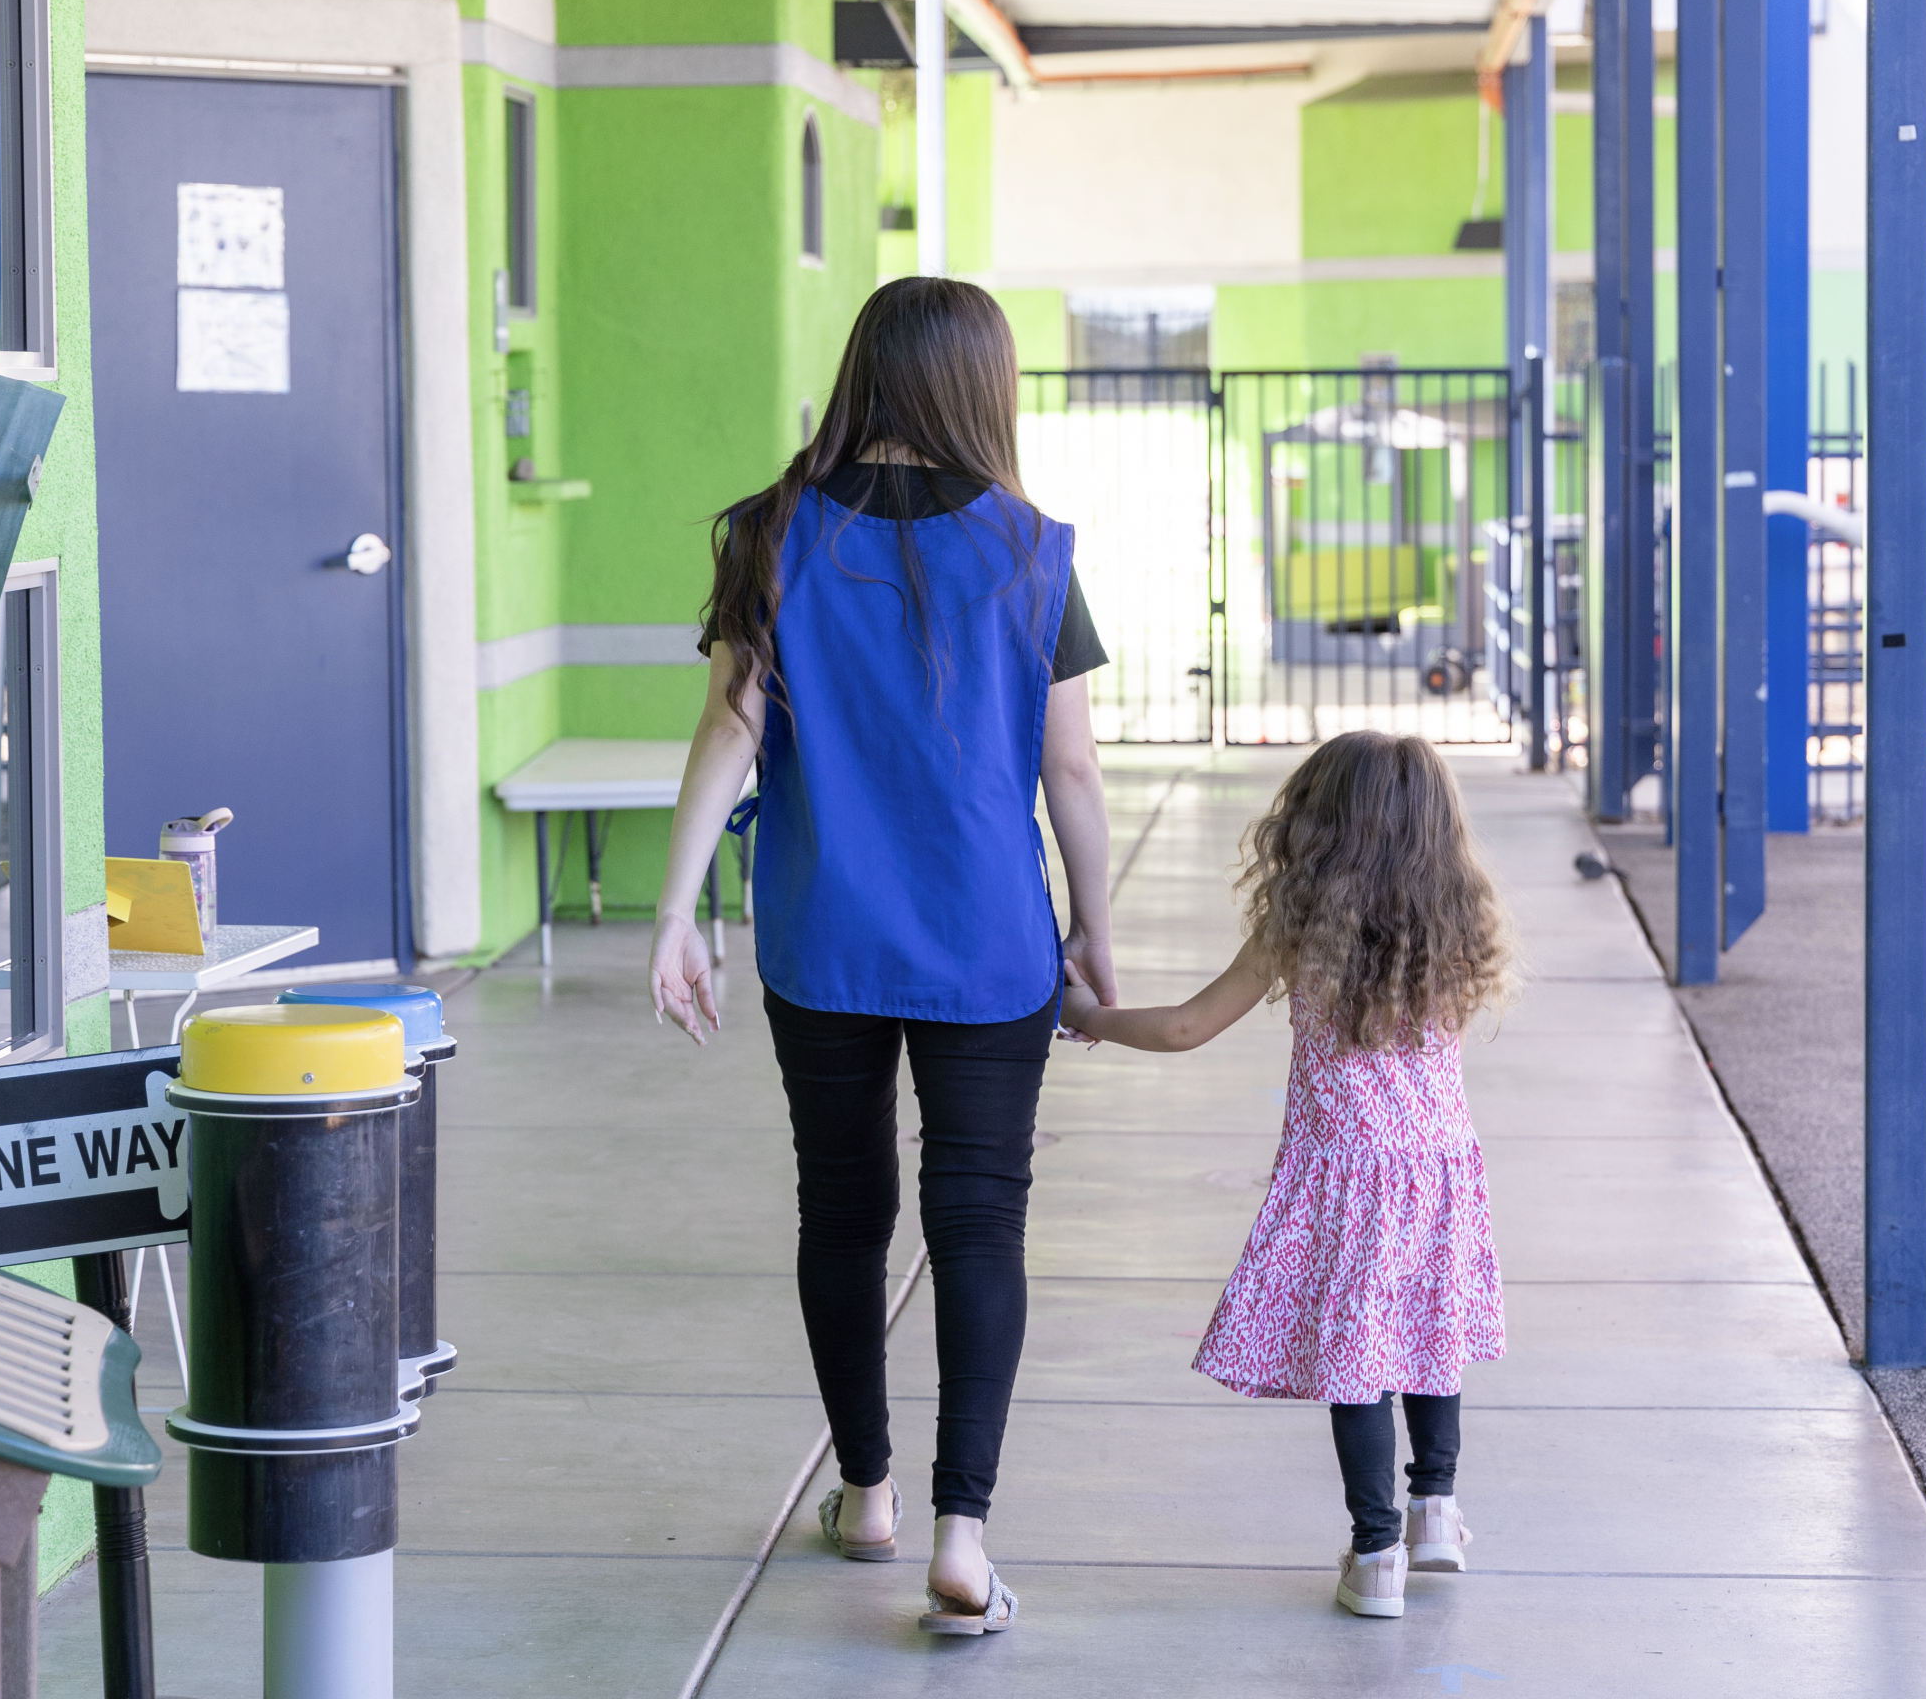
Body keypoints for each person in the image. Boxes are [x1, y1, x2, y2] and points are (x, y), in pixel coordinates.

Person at [648, 276, 1114, 1638]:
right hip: (988, 945)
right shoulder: (1032, 550)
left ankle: (864, 1491)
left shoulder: (772, 531)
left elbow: (729, 729)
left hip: (823, 940)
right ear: (982, 385)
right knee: (978, 1221)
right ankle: (961, 1534)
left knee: (842, 1211)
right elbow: (1070, 768)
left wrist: (675, 910)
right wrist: (1093, 925)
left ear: (861, 373)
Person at [1057, 730, 1513, 1619]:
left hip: (1344, 1180)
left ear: (1317, 828)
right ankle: (1435, 1508)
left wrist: (1088, 1017)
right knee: (1429, 1334)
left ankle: (1376, 1552)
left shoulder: (1302, 932)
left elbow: (1189, 1027)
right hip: (1435, 1175)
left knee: (1356, 1363)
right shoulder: (1455, 927)